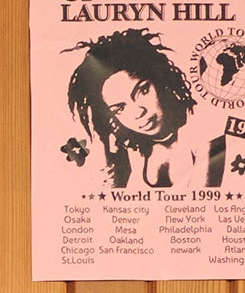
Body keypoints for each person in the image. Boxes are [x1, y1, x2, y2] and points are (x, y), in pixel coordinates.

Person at [63, 27, 199, 189]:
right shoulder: (130, 159)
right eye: (119, 109)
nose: (138, 112)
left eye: (142, 91)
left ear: (161, 80)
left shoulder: (200, 132)